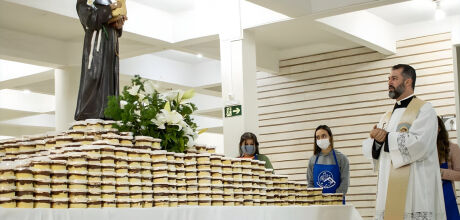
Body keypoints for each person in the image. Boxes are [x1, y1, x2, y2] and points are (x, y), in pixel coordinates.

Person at [362, 64, 445, 219]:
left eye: (394, 78)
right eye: (388, 79)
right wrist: (378, 141)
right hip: (389, 189)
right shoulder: (387, 116)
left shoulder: (425, 109)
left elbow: (420, 144)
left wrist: (386, 137)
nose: (389, 83)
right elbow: (376, 149)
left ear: (408, 82)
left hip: (415, 189)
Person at [75, 0, 127, 120]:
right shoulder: (85, 2)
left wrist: (118, 24)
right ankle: (90, 114)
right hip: (96, 46)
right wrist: (111, 8)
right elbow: (90, 20)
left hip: (111, 44)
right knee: (95, 76)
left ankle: (109, 113)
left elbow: (116, 30)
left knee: (110, 78)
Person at [307, 125, 349, 201]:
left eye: (324, 136)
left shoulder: (342, 158)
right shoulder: (312, 160)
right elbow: (310, 183)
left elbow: (345, 182)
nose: (321, 139)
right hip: (318, 204)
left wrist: (334, 199)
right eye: (318, 137)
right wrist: (317, 199)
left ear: (330, 137)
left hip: (337, 204)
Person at [437, 116, 460, 220]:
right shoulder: (420, 150)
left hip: (447, 200)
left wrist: (439, 172)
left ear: (439, 128)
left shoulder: (452, 148)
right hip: (424, 198)